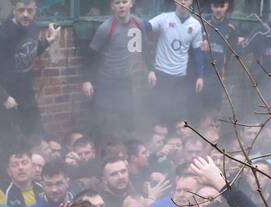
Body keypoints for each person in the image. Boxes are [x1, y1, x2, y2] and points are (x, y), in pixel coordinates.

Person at [0, 1, 61, 146]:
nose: (25, 14)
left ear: (35, 10)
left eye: (29, 10)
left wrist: (47, 41)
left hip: (27, 95)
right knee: (12, 148)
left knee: (38, 140)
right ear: (14, 10)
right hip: (6, 100)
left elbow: (27, 54)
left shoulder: (32, 27)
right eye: (21, 10)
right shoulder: (1, 34)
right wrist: (5, 97)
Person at [82, 0, 151, 145]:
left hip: (125, 80)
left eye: (124, 1)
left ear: (131, 3)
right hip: (105, 82)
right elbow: (91, 55)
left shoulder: (138, 24)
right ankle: (98, 151)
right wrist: (87, 80)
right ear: (112, 6)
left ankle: (129, 151)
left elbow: (143, 48)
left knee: (128, 118)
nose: (121, 5)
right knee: (102, 121)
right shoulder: (106, 28)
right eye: (117, 2)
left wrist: (151, 70)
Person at [147, 0, 206, 131]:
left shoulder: (195, 25)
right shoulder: (164, 18)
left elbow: (198, 53)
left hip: (180, 76)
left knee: (177, 115)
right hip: (161, 74)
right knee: (159, 113)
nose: (183, 2)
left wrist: (200, 76)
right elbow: (146, 26)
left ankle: (173, 143)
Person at [199, 0, 240, 119]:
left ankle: (211, 134)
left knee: (215, 109)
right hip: (201, 74)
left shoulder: (231, 28)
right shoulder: (202, 23)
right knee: (199, 108)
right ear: (211, 6)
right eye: (216, 6)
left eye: (221, 6)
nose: (218, 9)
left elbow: (233, 51)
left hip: (218, 75)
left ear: (226, 7)